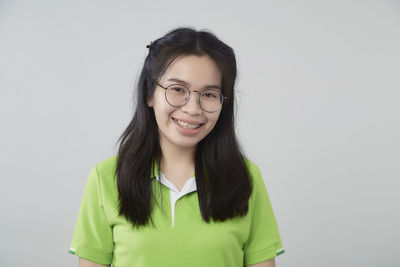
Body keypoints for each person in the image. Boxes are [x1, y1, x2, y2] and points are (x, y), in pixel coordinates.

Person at [68, 27, 285, 267]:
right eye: (178, 90)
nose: (193, 108)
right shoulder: (106, 178)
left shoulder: (245, 177)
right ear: (149, 94)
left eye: (209, 94)